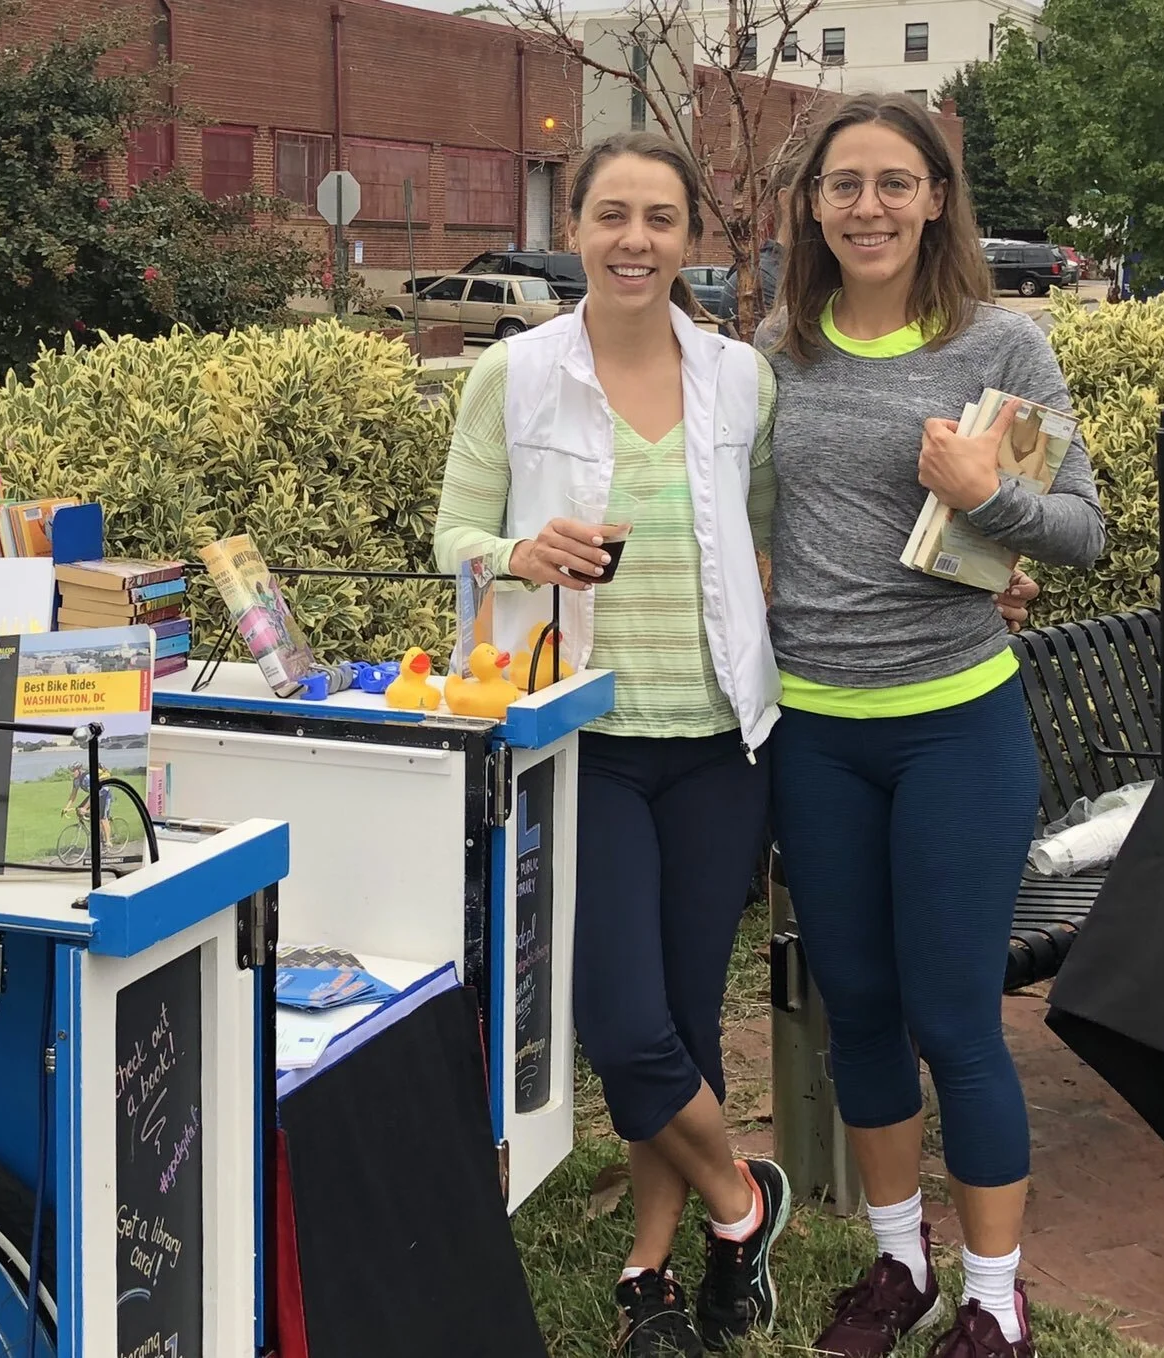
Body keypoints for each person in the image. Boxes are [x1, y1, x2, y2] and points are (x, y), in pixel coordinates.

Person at [758, 93, 1106, 1358]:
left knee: (954, 1015)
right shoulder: (776, 348)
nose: (867, 206)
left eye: (893, 182)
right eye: (842, 184)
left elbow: (1082, 530)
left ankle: (993, 1290)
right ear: (810, 206)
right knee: (857, 1006)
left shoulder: (999, 347)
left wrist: (985, 496)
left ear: (933, 199)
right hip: (816, 733)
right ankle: (896, 1262)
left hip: (954, 728)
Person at [433, 131, 789, 1358]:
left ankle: (652, 1272)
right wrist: (512, 554)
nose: (634, 240)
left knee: (684, 1021)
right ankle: (743, 1204)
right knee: (618, 1019)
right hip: (578, 738)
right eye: (610, 216)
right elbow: (450, 536)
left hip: (716, 738)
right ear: (573, 228)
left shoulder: (740, 377)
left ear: (691, 237)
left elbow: (758, 538)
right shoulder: (516, 376)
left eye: (659, 219)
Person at [64, 761, 113, 851]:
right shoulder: (76, 780)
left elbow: (94, 794)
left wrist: (85, 808)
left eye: (73, 770)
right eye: (71, 771)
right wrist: (66, 807)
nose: (72, 772)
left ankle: (108, 842)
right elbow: (73, 795)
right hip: (94, 795)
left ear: (79, 770)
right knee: (79, 810)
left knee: (102, 818)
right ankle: (96, 830)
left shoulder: (87, 777)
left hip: (104, 794)